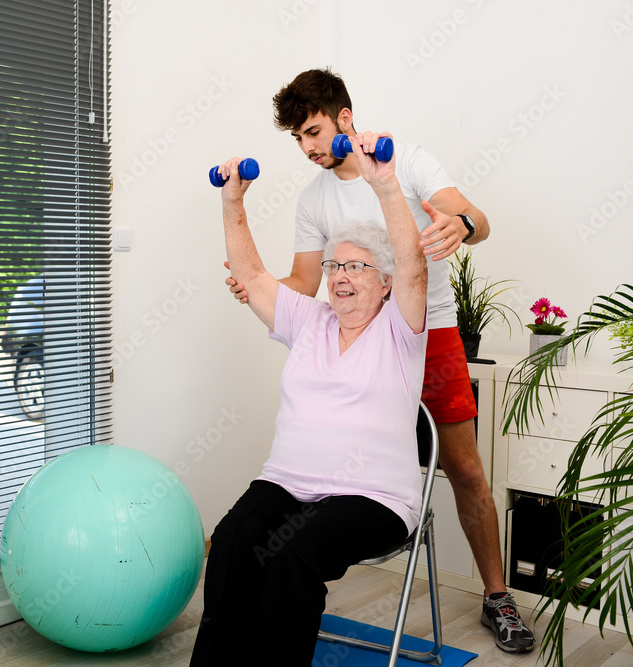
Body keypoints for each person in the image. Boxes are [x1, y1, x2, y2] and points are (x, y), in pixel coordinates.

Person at [226, 68, 535, 653]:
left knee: (464, 468)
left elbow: (477, 220)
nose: (309, 147)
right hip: (354, 335)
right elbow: (302, 281)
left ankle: (498, 596)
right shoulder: (314, 197)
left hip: (425, 329)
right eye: (297, 138)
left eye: (313, 131)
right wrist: (255, 286)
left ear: (345, 117)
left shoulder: (407, 162)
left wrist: (458, 225)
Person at [190, 136, 434, 666]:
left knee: (292, 553)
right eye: (332, 266)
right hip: (288, 482)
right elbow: (252, 276)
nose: (340, 277)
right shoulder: (310, 321)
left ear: (387, 283)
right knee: (232, 541)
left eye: (356, 267)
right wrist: (233, 201)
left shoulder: (400, 332)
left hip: (373, 497)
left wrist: (385, 184)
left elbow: (416, 265)